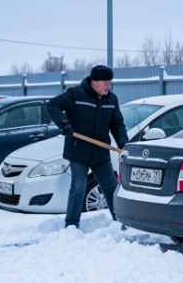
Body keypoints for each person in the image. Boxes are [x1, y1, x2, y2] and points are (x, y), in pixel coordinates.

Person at [46, 65, 128, 228]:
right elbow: (53, 105)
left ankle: (120, 223)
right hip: (78, 150)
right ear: (94, 82)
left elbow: (117, 124)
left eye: (110, 82)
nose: (108, 85)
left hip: (100, 151)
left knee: (111, 187)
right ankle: (71, 225)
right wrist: (64, 124)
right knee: (78, 187)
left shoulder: (111, 100)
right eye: (105, 82)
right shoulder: (75, 94)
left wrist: (124, 144)